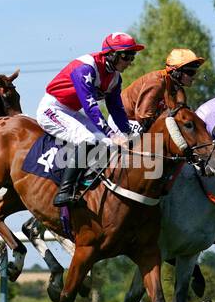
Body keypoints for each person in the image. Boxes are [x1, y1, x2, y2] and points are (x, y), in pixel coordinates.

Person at [35, 32, 144, 207]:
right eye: (127, 55)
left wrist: (129, 133)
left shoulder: (115, 77)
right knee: (88, 139)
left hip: (70, 111)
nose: (130, 61)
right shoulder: (85, 67)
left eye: (133, 56)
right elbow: (90, 107)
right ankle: (64, 192)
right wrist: (111, 132)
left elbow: (116, 109)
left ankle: (85, 182)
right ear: (112, 54)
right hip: (52, 108)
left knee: (108, 143)